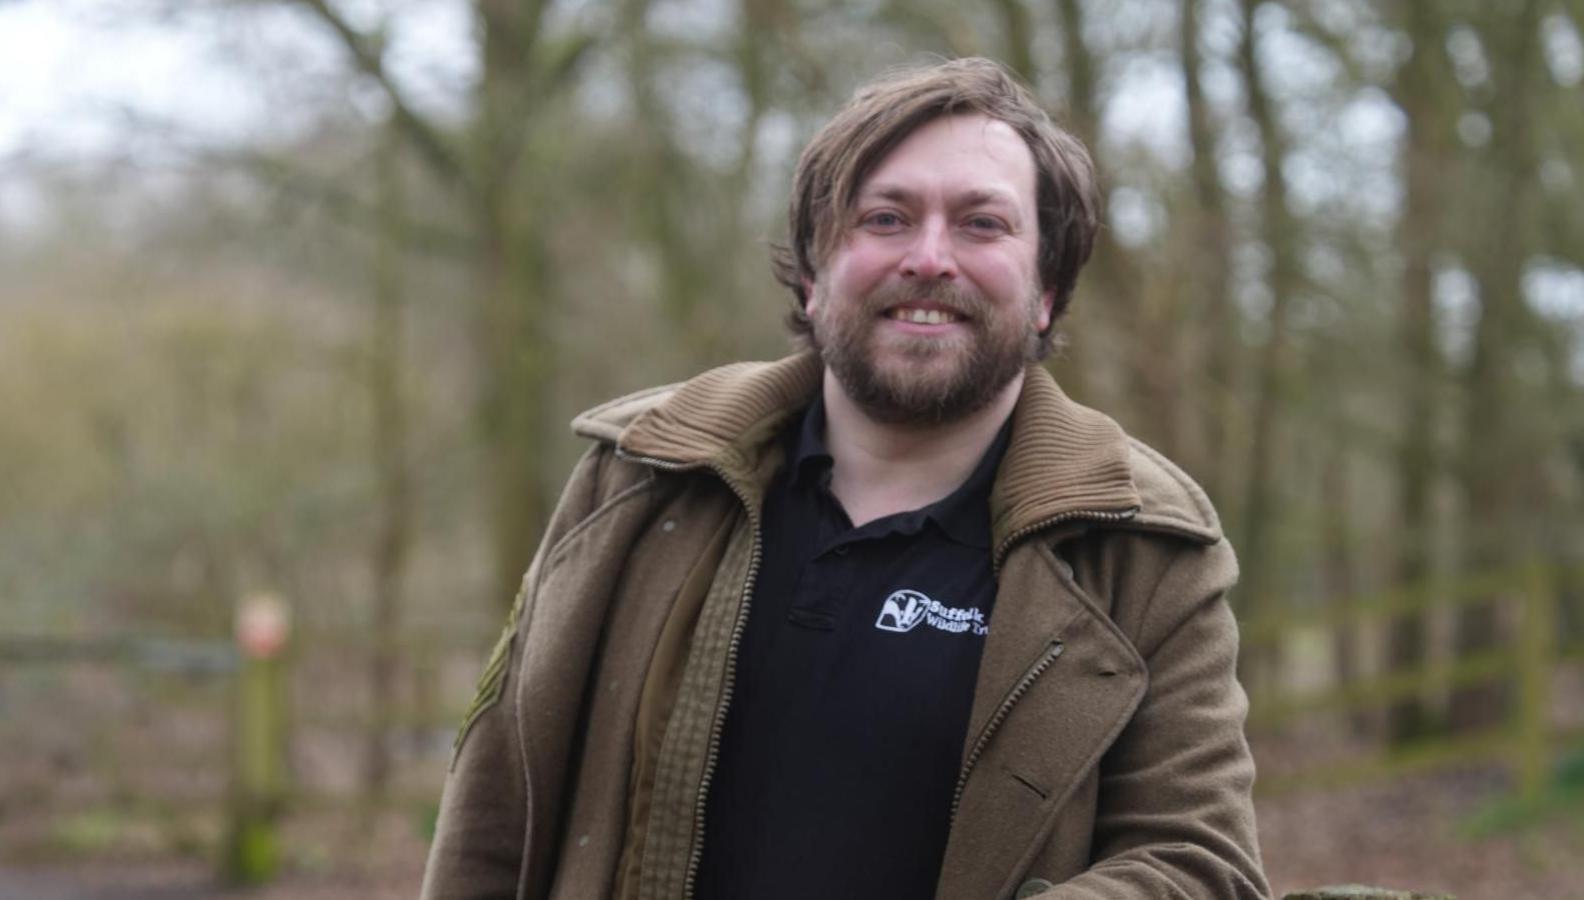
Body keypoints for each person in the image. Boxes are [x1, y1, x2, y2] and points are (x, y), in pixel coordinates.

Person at [421, 57, 1269, 900]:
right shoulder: (639, 476)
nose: (930, 257)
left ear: (1046, 287)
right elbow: (496, 815)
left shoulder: (1148, 548)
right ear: (815, 271)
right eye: (887, 218)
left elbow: (1200, 864)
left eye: (982, 224)